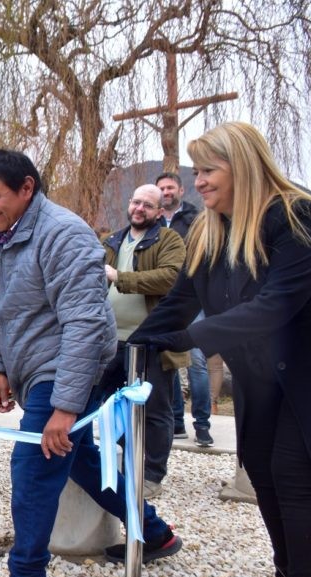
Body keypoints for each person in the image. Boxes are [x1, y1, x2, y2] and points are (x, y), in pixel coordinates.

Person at [130, 122, 311, 577]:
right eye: (196, 171)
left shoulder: (297, 217)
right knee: (262, 473)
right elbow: (179, 299)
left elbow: (274, 307)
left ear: (243, 166)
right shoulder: (212, 229)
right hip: (264, 379)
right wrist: (134, 348)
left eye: (208, 170)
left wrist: (191, 338)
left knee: (292, 477)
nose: (198, 183)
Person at [0, 149, 181, 577]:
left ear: (27, 188)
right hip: (28, 367)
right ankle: (155, 532)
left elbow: (84, 324)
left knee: (32, 467)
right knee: (79, 460)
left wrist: (64, 405)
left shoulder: (66, 234)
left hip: (68, 366)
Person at [97, 185, 188, 498]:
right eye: (136, 202)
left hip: (151, 341)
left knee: (156, 410)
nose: (139, 209)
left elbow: (171, 277)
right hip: (109, 341)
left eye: (148, 205)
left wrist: (119, 277)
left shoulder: (169, 240)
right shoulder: (112, 240)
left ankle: (151, 475)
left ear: (159, 212)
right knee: (110, 407)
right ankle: (120, 468)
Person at [156, 172, 214, 446]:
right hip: (162, 299)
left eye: (170, 187)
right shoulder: (151, 220)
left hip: (193, 297)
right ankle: (177, 420)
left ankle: (202, 424)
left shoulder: (198, 220)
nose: (166, 192)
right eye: (161, 189)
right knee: (169, 361)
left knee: (197, 362)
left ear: (180, 189)